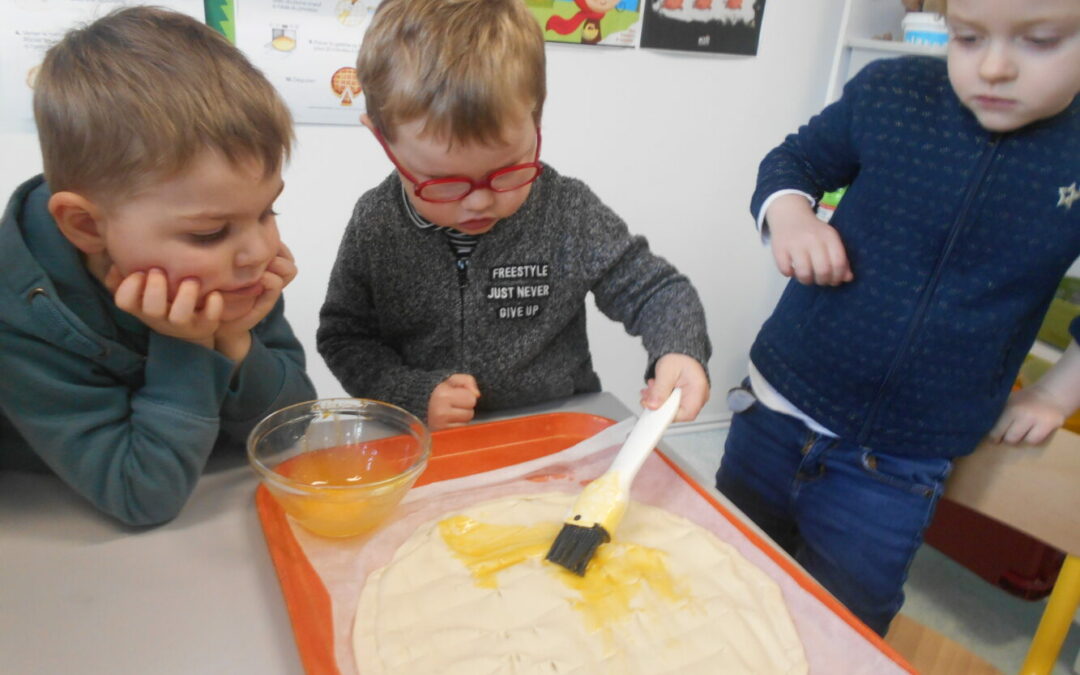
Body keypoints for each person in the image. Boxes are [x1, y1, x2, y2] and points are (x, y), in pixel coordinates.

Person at [716, 0, 1080, 636]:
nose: (993, 67)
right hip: (774, 409)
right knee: (725, 576)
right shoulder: (892, 92)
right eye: (967, 38)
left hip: (899, 466)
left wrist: (1055, 394)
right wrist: (792, 217)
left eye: (1040, 41)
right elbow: (791, 161)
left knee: (841, 624)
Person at [318, 0, 711, 431]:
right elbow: (345, 336)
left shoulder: (567, 211)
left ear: (537, 117)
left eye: (506, 173)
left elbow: (656, 290)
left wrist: (679, 347)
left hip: (555, 431)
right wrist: (409, 395)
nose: (479, 202)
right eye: (443, 182)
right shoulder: (375, 224)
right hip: (425, 439)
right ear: (383, 141)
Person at [0, 7, 316, 526]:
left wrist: (234, 342)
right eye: (209, 233)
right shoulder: (20, 313)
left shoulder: (227, 267)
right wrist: (188, 344)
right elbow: (140, 495)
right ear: (84, 225)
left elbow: (292, 429)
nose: (259, 251)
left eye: (268, 210)